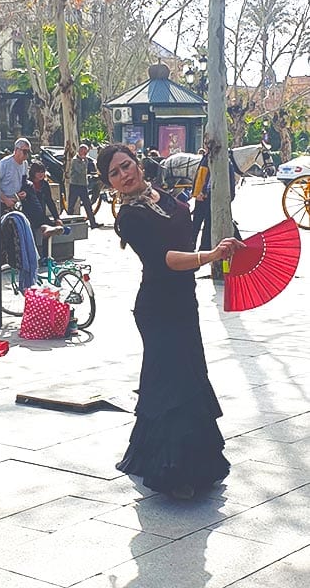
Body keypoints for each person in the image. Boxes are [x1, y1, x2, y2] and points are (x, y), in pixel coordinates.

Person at [97, 144, 245, 499]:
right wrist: (209, 255)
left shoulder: (162, 195)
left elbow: (187, 230)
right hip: (158, 307)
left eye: (126, 166)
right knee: (172, 385)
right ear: (109, 183)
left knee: (188, 376)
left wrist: (220, 243)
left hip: (184, 302)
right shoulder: (128, 218)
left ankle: (195, 465)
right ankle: (171, 473)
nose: (124, 175)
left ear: (138, 164)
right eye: (115, 173)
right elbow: (165, 260)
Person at [191, 145, 238, 251]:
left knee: (209, 223)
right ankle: (191, 245)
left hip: (214, 197)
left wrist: (228, 198)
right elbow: (199, 176)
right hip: (203, 197)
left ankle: (204, 248)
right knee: (196, 223)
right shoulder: (206, 158)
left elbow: (230, 182)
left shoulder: (226, 162)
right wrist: (197, 192)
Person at [21, 161, 64, 258]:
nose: (41, 174)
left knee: (52, 228)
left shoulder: (44, 184)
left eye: (42, 172)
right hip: (29, 216)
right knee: (31, 235)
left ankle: (46, 256)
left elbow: (50, 201)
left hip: (41, 215)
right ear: (33, 172)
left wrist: (57, 217)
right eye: (38, 172)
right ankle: (34, 257)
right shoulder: (27, 184)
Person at [67, 143, 98, 229]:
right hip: (75, 185)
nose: (85, 153)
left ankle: (93, 223)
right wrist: (84, 161)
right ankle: (68, 221)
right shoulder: (75, 160)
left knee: (87, 205)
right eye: (84, 152)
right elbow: (81, 170)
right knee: (71, 205)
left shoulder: (85, 160)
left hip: (83, 185)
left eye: (86, 152)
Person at [0, 137, 31, 213]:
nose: (26, 154)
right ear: (17, 150)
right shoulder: (5, 163)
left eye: (28, 152)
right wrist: (6, 200)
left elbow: (24, 181)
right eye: (25, 151)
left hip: (17, 202)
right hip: (2, 203)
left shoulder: (25, 163)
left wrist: (24, 192)